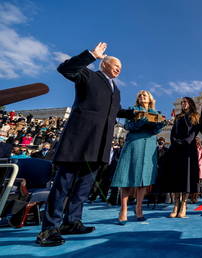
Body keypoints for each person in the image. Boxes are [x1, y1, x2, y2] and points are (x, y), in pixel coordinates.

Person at [36, 42, 134, 247]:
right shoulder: (88, 76)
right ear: (104, 64)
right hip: (79, 141)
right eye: (116, 65)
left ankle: (71, 222)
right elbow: (65, 69)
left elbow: (114, 112)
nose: (119, 69)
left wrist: (135, 113)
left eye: (121, 68)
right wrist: (91, 55)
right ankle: (49, 228)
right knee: (63, 185)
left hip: (99, 146)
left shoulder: (116, 90)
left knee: (83, 188)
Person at [111, 90, 166, 224]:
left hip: (149, 146)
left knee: (143, 178)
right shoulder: (133, 110)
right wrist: (140, 122)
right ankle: (123, 209)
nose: (142, 97)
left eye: (144, 95)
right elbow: (128, 126)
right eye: (140, 95)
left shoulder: (156, 113)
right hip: (134, 144)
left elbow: (155, 131)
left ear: (150, 99)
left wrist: (160, 125)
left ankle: (139, 208)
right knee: (127, 176)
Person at [162, 97, 200, 218]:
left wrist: (184, 142)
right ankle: (176, 204)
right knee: (176, 177)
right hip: (176, 149)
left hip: (188, 149)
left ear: (190, 104)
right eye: (182, 102)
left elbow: (194, 133)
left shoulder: (195, 116)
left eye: (185, 102)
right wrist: (175, 142)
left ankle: (183, 204)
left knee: (186, 177)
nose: (183, 104)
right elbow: (173, 132)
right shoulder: (178, 117)